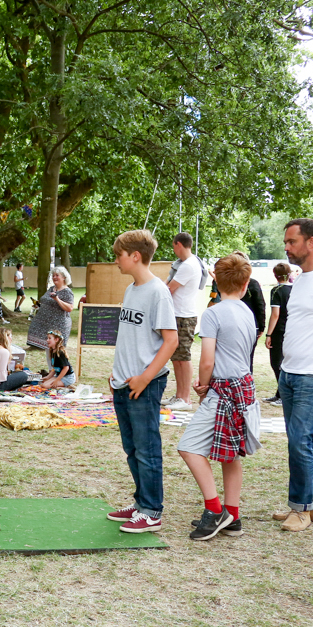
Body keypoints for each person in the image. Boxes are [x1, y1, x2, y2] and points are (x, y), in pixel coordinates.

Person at [177, 253, 258, 541]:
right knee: (231, 453)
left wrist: (203, 386)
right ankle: (233, 515)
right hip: (244, 388)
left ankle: (215, 511)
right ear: (245, 284)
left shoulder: (213, 313)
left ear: (216, 280)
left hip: (223, 390)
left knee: (188, 448)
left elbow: (207, 360)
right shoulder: (247, 312)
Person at [106, 229, 178, 534]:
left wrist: (145, 378)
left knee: (147, 449)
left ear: (135, 256)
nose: (116, 260)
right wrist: (117, 373)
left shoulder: (158, 292)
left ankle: (151, 511)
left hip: (145, 385)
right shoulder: (130, 289)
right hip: (123, 383)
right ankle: (140, 503)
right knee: (132, 448)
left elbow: (171, 341)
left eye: (119, 255)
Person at [274, 218, 313, 531]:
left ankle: (301, 509)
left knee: (300, 442)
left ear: (311, 242)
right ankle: (305, 504)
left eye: (292, 241)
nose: (286, 247)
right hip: (289, 373)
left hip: (308, 376)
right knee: (299, 442)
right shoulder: (299, 280)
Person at [164, 232, 204, 411]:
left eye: (173, 246)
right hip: (177, 314)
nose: (174, 250)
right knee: (176, 357)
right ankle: (179, 395)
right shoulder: (185, 263)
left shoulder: (188, 265)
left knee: (183, 357)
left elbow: (169, 289)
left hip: (184, 316)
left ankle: (185, 398)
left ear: (178, 244)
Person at [27, 266, 74, 350]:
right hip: (43, 318)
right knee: (34, 325)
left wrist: (57, 299)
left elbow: (69, 308)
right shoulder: (51, 288)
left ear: (64, 277)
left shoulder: (67, 292)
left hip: (58, 321)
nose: (54, 277)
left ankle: (49, 347)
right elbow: (45, 299)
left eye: (57, 275)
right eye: (53, 275)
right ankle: (35, 345)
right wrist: (39, 304)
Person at [264, 262, 291, 405]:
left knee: (276, 363)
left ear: (275, 275)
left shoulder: (276, 291)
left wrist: (269, 334)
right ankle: (279, 393)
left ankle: (283, 395)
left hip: (279, 331)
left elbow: (275, 314)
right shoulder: (294, 289)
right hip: (291, 330)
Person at [236, 251, 265, 372]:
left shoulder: (252, 284)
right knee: (248, 358)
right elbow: (260, 305)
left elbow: (260, 305)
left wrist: (261, 326)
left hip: (246, 324)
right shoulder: (252, 283)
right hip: (250, 325)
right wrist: (261, 327)